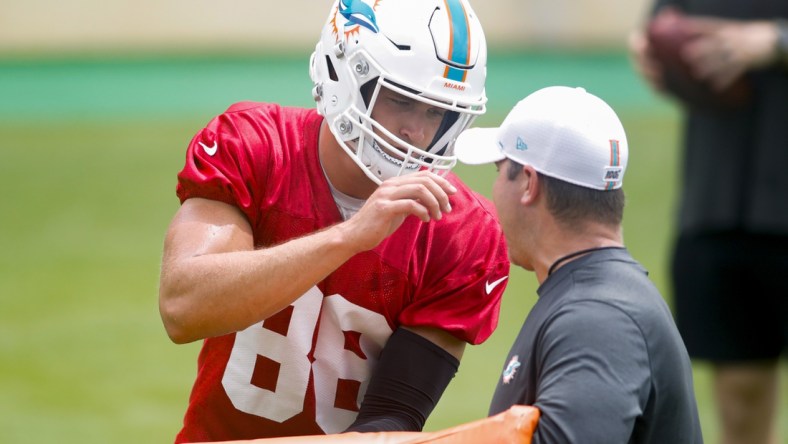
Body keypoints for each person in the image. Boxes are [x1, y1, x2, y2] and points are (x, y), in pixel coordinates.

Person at [157, 0, 510, 442]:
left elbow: (394, 418)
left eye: (436, 112)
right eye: (401, 100)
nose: (417, 132)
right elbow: (183, 308)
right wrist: (347, 238)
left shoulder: (460, 232)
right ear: (345, 75)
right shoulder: (256, 146)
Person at [454, 86, 703, 443]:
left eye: (498, 169)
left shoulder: (598, 320)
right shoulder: (599, 299)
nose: (493, 188)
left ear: (528, 182)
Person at [629, 3, 788, 443]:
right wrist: (652, 46)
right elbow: (663, 23)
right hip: (718, 203)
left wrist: (775, 41)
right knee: (740, 399)